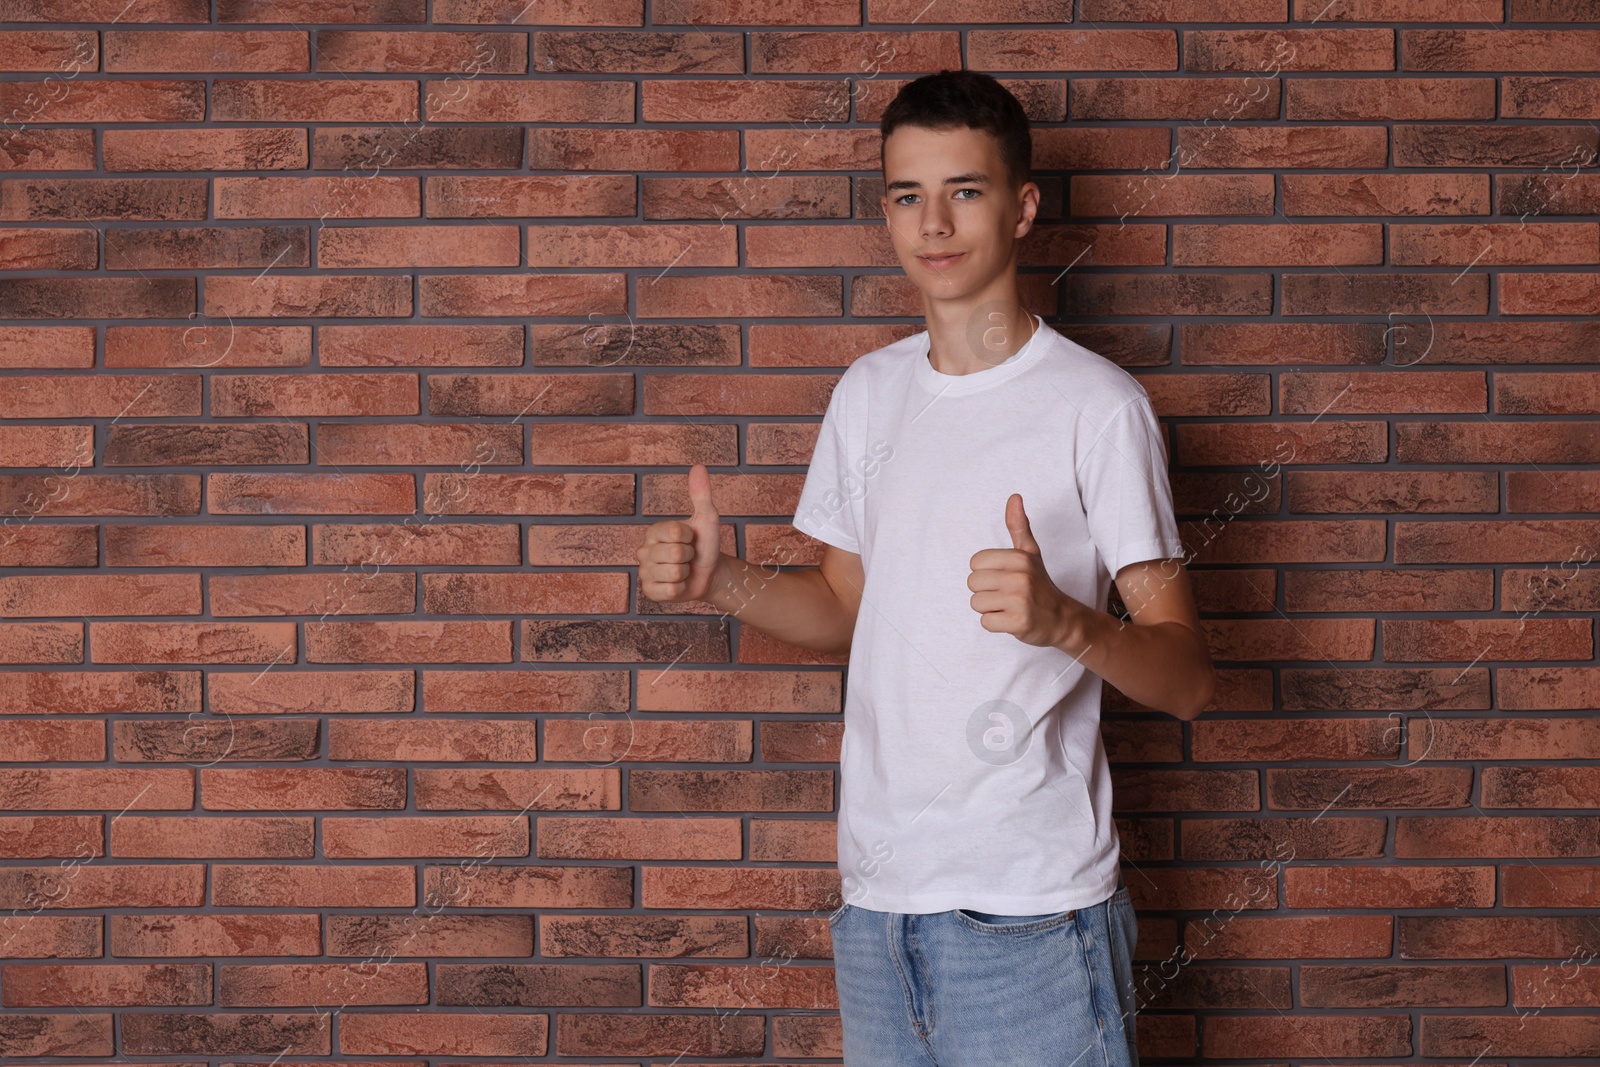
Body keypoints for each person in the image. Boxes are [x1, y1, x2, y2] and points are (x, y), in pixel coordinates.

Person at [636, 68, 1215, 1067]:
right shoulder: (869, 393)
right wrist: (718, 581)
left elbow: (1189, 678)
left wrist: (1067, 622)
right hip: (878, 912)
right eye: (907, 195)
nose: (933, 223)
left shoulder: (1097, 406)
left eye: (966, 190)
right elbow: (842, 606)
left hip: (1032, 918)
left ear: (1023, 206)